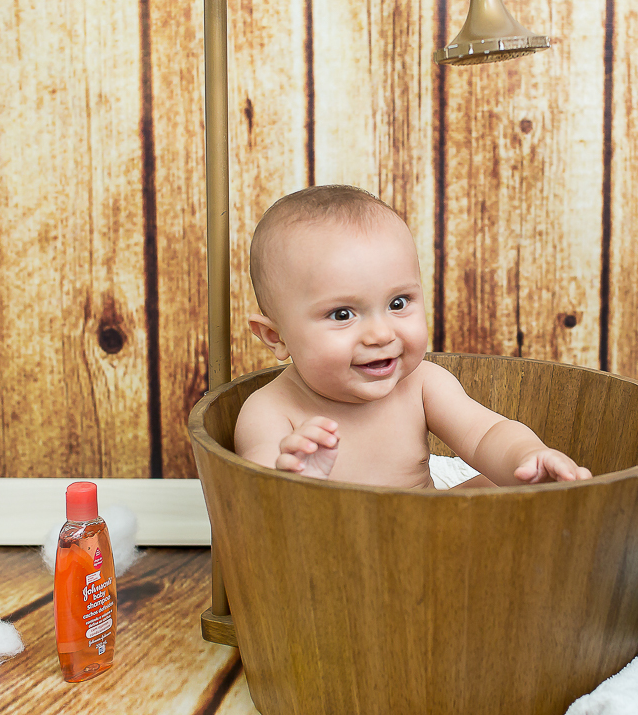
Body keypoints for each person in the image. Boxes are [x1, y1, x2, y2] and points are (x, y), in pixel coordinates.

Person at [233, 184, 592, 489]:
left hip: (421, 540)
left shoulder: (422, 384)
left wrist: (527, 456)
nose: (380, 334)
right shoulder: (270, 411)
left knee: (493, 487)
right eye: (342, 314)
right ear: (274, 336)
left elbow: (486, 434)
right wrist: (295, 480)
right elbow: (252, 506)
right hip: (331, 547)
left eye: (398, 302)